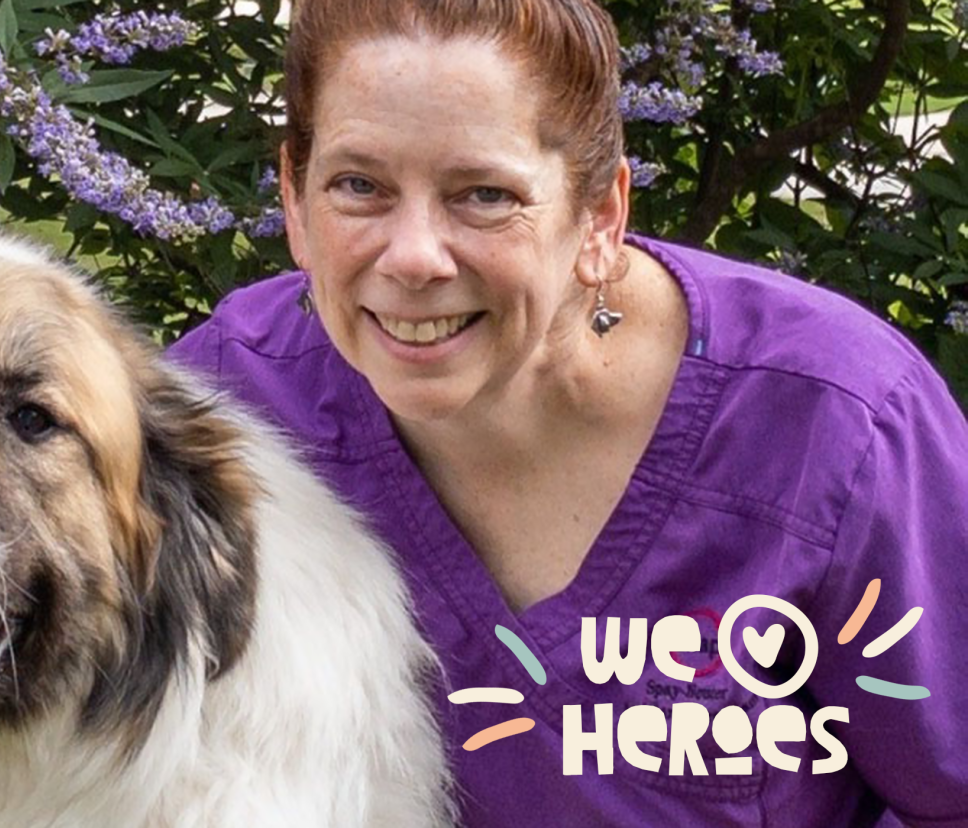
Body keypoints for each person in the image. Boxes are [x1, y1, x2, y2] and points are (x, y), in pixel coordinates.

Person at [167, 0, 968, 825]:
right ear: (295, 204)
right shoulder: (222, 414)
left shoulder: (837, 425)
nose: (412, 257)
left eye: (483, 194)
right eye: (358, 186)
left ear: (601, 217)